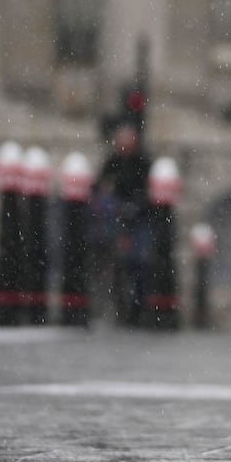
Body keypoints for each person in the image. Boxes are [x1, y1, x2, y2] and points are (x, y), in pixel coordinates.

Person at [94, 122, 153, 326]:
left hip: (138, 218)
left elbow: (147, 194)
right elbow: (99, 186)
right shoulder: (113, 162)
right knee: (118, 265)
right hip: (118, 218)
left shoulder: (142, 163)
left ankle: (136, 311)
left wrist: (134, 207)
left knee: (138, 265)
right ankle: (122, 309)